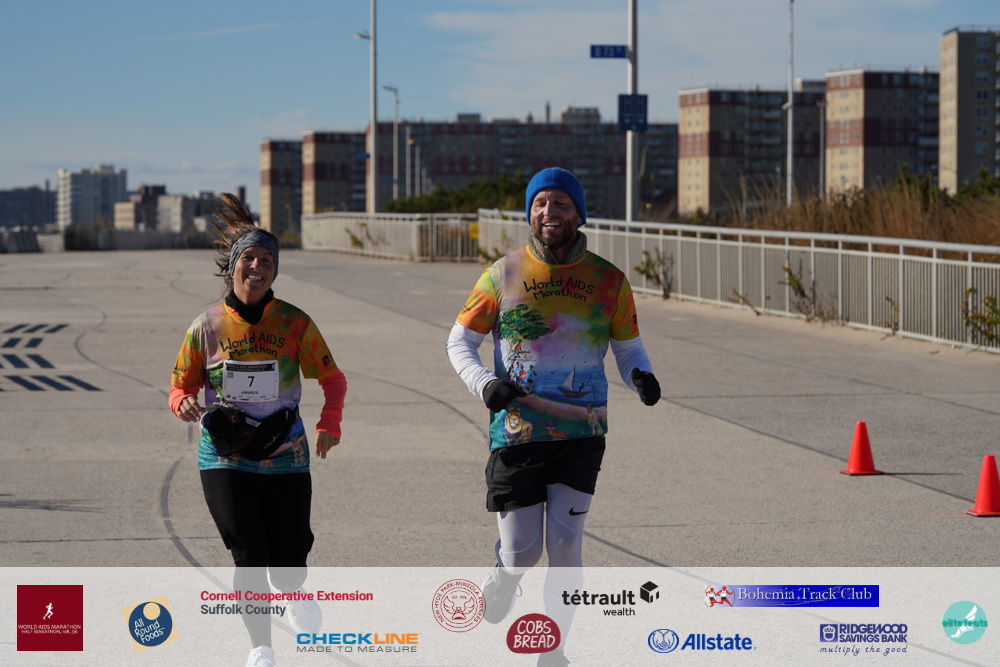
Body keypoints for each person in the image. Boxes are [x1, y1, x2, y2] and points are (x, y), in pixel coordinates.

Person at [446, 168, 660, 666]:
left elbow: (629, 349)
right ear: (530, 214)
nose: (549, 211)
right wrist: (486, 384)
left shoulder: (609, 280)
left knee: (565, 546)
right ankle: (505, 575)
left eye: (560, 203)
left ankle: (554, 649)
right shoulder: (501, 274)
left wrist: (642, 376)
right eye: (540, 203)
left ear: (579, 214)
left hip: (584, 431)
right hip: (517, 433)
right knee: (524, 552)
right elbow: (459, 342)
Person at [169, 193, 347, 667]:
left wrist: (330, 421)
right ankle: (261, 647)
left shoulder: (294, 322)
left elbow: (333, 379)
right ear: (233, 267)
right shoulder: (206, 325)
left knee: (287, 563)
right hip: (224, 455)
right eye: (248, 258)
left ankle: (294, 593)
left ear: (274, 271)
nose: (257, 267)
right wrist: (182, 402)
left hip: (285, 451)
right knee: (248, 555)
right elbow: (180, 385)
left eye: (266, 261)